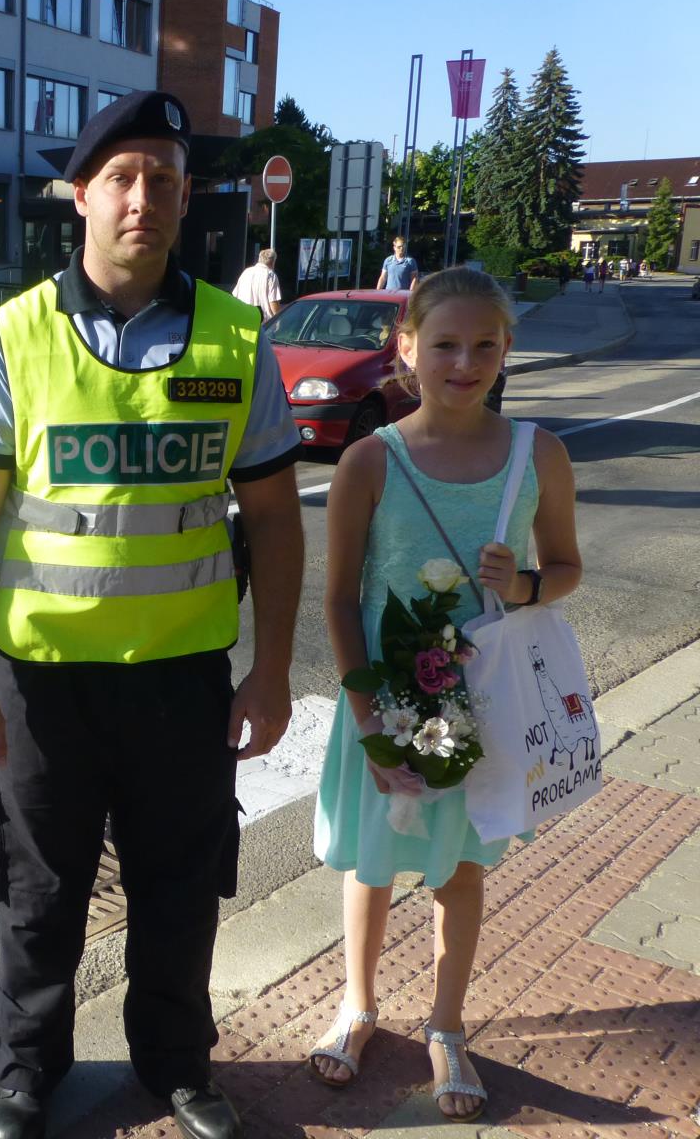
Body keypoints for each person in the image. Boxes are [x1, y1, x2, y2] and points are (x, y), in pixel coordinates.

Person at [0, 89, 305, 1139]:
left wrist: (270, 671)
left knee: (180, 894)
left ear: (185, 200)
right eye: (123, 178)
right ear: (81, 195)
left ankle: (175, 1065)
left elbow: (275, 523)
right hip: (39, 687)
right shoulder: (13, 339)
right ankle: (25, 1071)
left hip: (181, 683)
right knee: (36, 897)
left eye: (165, 180)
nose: (144, 198)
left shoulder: (236, 339)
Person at [307, 267, 583, 1122]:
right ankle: (358, 1004)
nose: (464, 362)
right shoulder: (368, 462)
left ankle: (448, 1024)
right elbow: (341, 597)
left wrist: (530, 583)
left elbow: (568, 566)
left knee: (460, 870)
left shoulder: (537, 452)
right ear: (406, 350)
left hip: (489, 708)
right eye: (445, 344)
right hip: (389, 705)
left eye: (485, 345)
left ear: (507, 351)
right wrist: (367, 719)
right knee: (375, 864)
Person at [232, 248, 283, 319]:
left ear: (259, 259)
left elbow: (235, 296)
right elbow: (273, 302)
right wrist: (278, 320)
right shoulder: (270, 275)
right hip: (263, 322)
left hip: (243, 318)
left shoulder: (246, 272)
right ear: (273, 262)